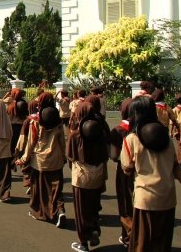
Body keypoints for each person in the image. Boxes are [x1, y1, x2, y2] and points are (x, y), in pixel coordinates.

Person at [121, 96, 181, 251]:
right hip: (168, 198)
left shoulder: (131, 139)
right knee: (162, 244)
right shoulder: (166, 139)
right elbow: (176, 169)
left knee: (141, 243)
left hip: (145, 199)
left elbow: (126, 167)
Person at [16, 92, 67, 228]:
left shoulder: (36, 121)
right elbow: (62, 142)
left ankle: (40, 212)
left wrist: (23, 158)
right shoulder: (58, 121)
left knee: (39, 188)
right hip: (56, 159)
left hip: (39, 160)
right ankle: (60, 210)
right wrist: (64, 157)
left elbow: (31, 143)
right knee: (56, 188)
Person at [67, 102, 110, 252]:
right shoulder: (101, 132)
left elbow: (71, 158)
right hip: (98, 173)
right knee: (93, 204)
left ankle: (83, 242)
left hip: (81, 176)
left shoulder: (75, 135)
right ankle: (94, 229)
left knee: (81, 209)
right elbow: (106, 154)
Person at [109, 98, 134, 248]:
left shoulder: (118, 130)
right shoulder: (144, 129)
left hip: (124, 170)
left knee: (126, 203)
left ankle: (128, 236)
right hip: (145, 171)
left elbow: (113, 155)